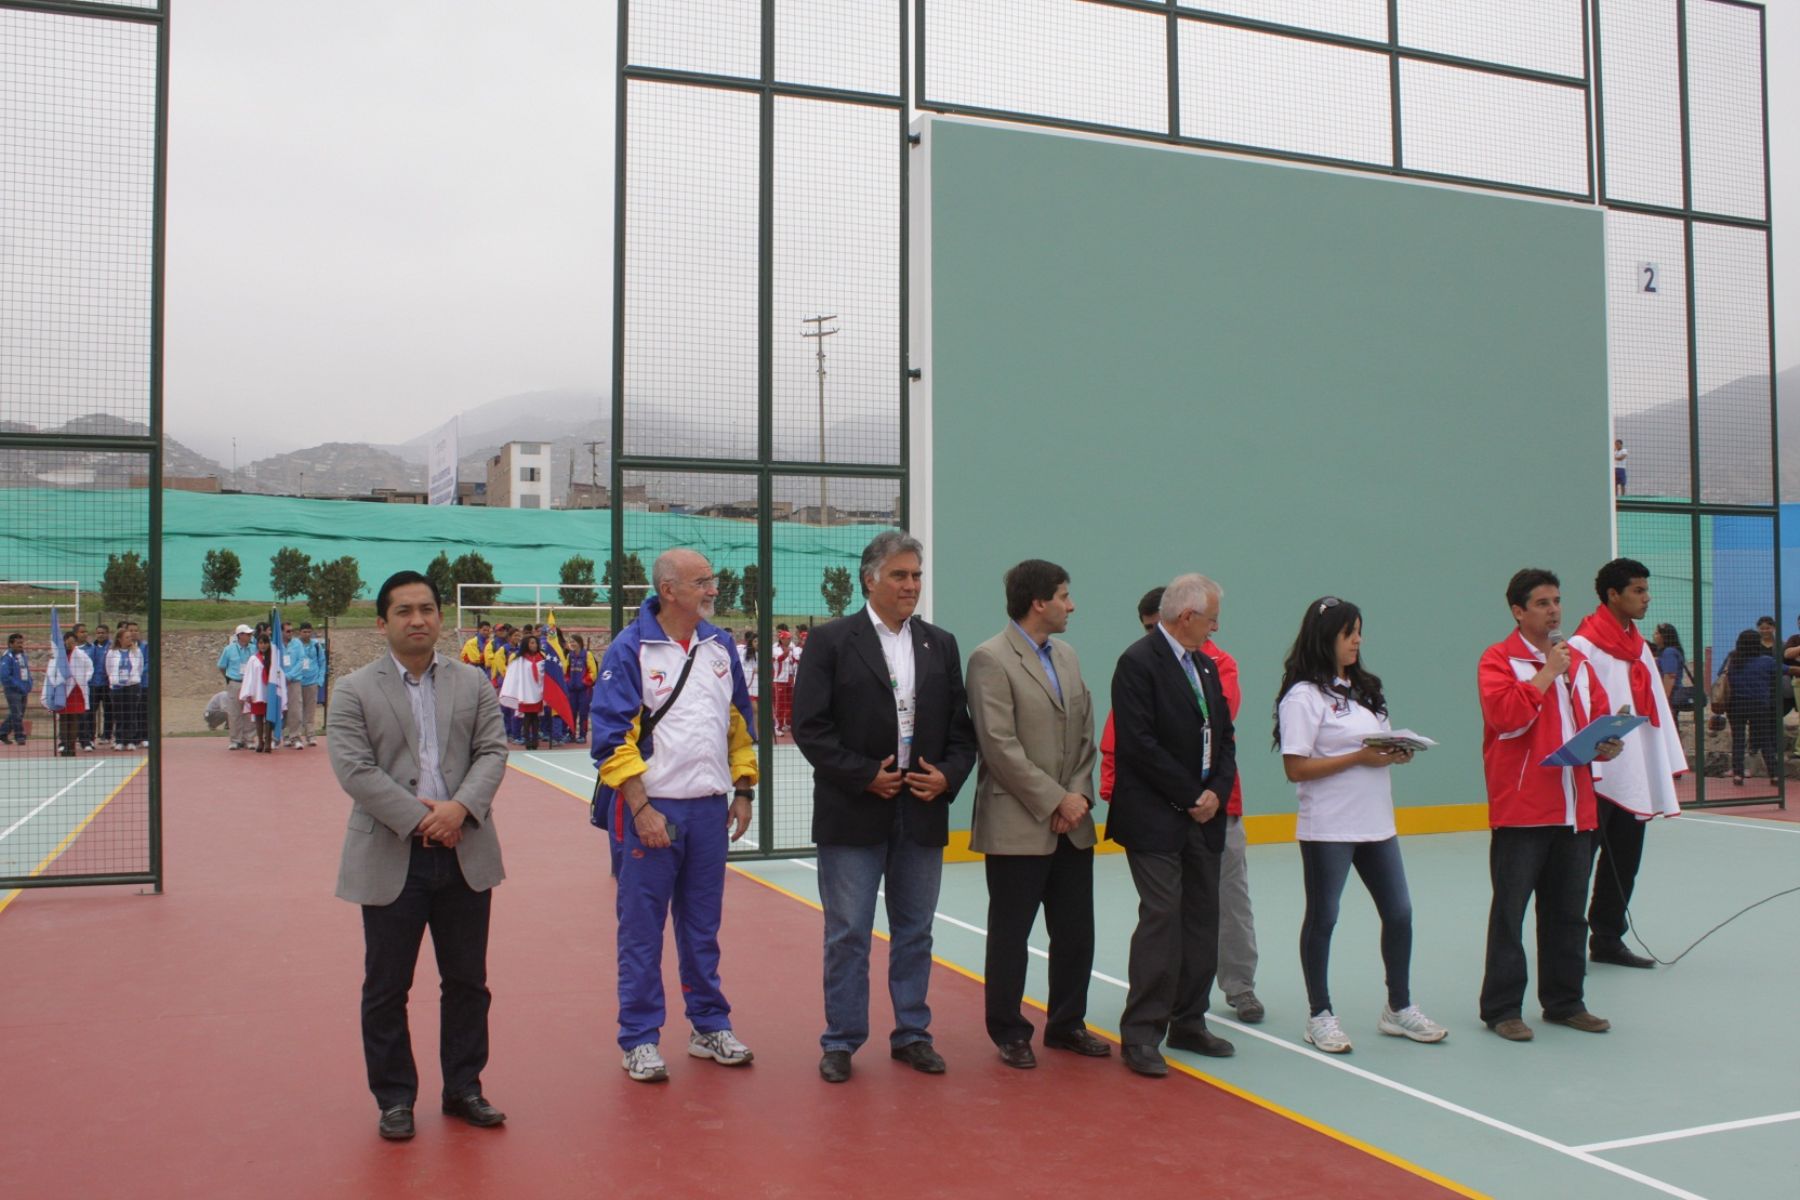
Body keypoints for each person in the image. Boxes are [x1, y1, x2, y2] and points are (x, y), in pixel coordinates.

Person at [326, 570, 509, 1142]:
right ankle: (395, 1099)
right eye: (404, 611)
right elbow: (355, 770)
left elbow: (493, 750)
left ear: (439, 617)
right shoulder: (353, 689)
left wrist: (460, 810)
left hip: (465, 853)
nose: (418, 620)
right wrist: (425, 819)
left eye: (427, 609)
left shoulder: (473, 682)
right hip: (392, 856)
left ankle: (464, 1088)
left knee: (467, 983)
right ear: (382, 623)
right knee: (386, 988)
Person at [792, 530, 977, 1084]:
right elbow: (810, 728)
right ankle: (842, 1040)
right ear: (869, 578)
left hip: (920, 809)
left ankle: (913, 1034)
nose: (911, 585)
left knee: (916, 929)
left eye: (916, 575)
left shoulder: (940, 644)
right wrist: (864, 774)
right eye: (899, 575)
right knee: (848, 931)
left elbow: (962, 735)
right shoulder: (830, 641)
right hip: (853, 811)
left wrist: (946, 776)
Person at [590, 549, 758, 1084]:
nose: (713, 589)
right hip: (651, 811)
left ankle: (709, 1025)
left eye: (711, 580)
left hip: (709, 811)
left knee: (702, 928)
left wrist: (744, 788)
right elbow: (610, 738)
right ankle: (639, 1038)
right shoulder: (630, 648)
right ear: (669, 589)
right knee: (642, 932)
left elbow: (740, 724)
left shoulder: (720, 645)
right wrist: (640, 808)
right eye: (702, 581)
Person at [1275, 596, 1445, 1054]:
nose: (1358, 641)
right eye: (1349, 633)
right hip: (1329, 827)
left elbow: (1376, 747)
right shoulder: (1303, 697)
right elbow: (1295, 768)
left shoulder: (1366, 688)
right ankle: (1320, 1015)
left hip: (1377, 825)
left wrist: (1394, 752)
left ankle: (1399, 1008)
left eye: (1359, 632)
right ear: (1326, 637)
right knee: (1324, 917)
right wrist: (1360, 757)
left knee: (1400, 913)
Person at [966, 560, 1108, 1069]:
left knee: (1075, 933)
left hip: (1072, 822)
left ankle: (1067, 1024)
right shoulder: (989, 658)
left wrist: (1078, 796)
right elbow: (999, 746)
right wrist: (1055, 800)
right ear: (1038, 602)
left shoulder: (1066, 656)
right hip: (1018, 824)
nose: (1072, 606)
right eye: (1065, 596)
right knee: (1011, 935)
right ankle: (1009, 1030)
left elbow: (1085, 733)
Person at [1101, 586, 1263, 1025]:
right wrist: (1189, 794)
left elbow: (1223, 735)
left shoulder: (1213, 666)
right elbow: (1136, 739)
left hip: (1212, 810)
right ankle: (1145, 1029)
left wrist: (1212, 793)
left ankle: (1196, 1015)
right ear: (1188, 616)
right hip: (1160, 813)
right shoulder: (1137, 664)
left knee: (1209, 913)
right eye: (1211, 617)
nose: (1216, 626)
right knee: (1161, 916)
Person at [1477, 568, 1620, 1041]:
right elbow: (1506, 720)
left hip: (1576, 807)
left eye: (1557, 600)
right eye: (1542, 603)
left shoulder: (1577, 661)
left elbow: (1596, 715)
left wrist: (1607, 742)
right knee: (1511, 912)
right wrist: (1545, 674)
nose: (1554, 610)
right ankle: (1502, 1009)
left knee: (1568, 912)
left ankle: (1564, 1002)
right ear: (1518, 611)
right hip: (1523, 809)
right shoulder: (1498, 661)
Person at [1568, 558, 1685, 970]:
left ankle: (1607, 938)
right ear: (1612, 595)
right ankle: (1566, 944)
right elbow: (1576, 709)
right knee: (1577, 865)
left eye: (1646, 590)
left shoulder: (1640, 647)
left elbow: (1651, 708)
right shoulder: (1582, 646)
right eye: (1638, 590)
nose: (1646, 598)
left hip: (1631, 768)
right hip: (1597, 773)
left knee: (1626, 859)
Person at [1721, 629, 1780, 786]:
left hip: (1736, 705)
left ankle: (1738, 774)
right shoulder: (1766, 661)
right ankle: (1774, 775)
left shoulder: (1733, 659)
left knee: (1738, 739)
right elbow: (1784, 671)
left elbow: (1722, 675)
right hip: (1759, 705)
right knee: (1765, 739)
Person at [44, 631, 93, 757]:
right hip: (63, 691)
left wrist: (83, 679)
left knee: (74, 719)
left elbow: (89, 669)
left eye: (73, 642)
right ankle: (64, 743)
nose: (70, 644)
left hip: (76, 691)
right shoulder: (58, 655)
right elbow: (52, 671)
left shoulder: (81, 655)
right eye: (68, 641)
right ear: (64, 641)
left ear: (76, 643)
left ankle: (71, 746)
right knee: (64, 719)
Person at [500, 634, 548, 750]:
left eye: (535, 643)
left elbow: (545, 675)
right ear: (526, 644)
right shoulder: (520, 659)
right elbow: (514, 674)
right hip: (525, 692)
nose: (534, 645)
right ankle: (527, 740)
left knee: (536, 718)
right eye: (531, 643)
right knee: (527, 717)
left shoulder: (542, 658)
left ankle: (535, 740)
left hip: (537, 691)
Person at [284, 623, 326, 747]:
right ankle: (290, 735)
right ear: (299, 632)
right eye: (304, 632)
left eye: (309, 632)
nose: (306, 634)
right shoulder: (294, 644)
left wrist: (320, 680)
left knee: (310, 710)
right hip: (296, 681)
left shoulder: (316, 645)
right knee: (293, 710)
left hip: (312, 682)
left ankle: (311, 735)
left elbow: (322, 663)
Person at [105, 627, 148, 750]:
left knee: (131, 713)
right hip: (117, 687)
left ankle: (131, 740)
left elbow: (139, 667)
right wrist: (114, 680)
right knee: (119, 714)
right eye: (127, 637)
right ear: (120, 639)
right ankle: (119, 740)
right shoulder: (111, 653)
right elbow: (108, 668)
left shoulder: (136, 651)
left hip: (132, 686)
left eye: (130, 637)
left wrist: (133, 679)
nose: (130, 639)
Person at [239, 632, 282, 754]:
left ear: (269, 644)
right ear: (257, 644)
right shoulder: (253, 659)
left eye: (265, 643)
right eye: (261, 643)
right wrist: (247, 693)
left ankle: (268, 741)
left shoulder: (273, 658)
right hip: (258, 692)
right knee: (258, 717)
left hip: (269, 692)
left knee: (269, 718)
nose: (263, 645)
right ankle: (260, 741)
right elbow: (249, 677)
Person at [218, 624, 256, 750]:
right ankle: (235, 739)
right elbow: (222, 666)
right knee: (234, 712)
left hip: (249, 683)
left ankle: (249, 739)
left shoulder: (254, 649)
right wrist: (229, 678)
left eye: (251, 634)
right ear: (240, 635)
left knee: (249, 711)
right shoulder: (229, 649)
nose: (250, 636)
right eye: (247, 634)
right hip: (235, 681)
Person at [1650, 623, 1693, 715]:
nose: (1654, 635)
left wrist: (1664, 699)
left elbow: (1670, 676)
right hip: (1671, 693)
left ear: (1664, 636)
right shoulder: (1667, 652)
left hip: (1670, 694)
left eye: (1657, 633)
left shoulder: (1669, 652)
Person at [1, 632, 31, 746]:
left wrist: (29, 683)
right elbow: (5, 676)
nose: (21, 645)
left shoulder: (22, 655)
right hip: (13, 691)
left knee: (18, 713)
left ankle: (2, 732)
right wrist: (18, 686)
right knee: (17, 714)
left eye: (22, 642)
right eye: (18, 643)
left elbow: (26, 671)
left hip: (23, 689)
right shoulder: (7, 657)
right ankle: (19, 736)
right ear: (11, 644)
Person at [564, 633, 595, 743]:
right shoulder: (569, 656)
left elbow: (593, 673)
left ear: (580, 643)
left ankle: (582, 735)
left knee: (583, 713)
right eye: (570, 642)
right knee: (571, 713)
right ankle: (571, 734)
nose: (572, 644)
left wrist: (584, 682)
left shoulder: (587, 655)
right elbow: (566, 672)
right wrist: (568, 682)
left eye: (574, 641)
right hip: (572, 690)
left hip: (584, 690)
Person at [772, 625, 797, 737]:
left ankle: (788, 723)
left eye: (790, 638)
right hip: (779, 680)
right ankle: (778, 726)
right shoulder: (775, 648)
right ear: (782, 639)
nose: (790, 640)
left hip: (790, 679)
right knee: (780, 705)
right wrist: (788, 652)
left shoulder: (792, 647)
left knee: (790, 703)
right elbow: (779, 659)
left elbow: (795, 660)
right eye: (788, 638)